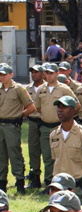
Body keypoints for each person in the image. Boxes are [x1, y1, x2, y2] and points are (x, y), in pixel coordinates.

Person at [47, 96, 82, 205]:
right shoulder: (54, 134)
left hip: (77, 188)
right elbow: (56, 160)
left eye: (64, 107)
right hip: (58, 188)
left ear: (73, 110)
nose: (60, 110)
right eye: (58, 107)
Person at [0, 64, 35, 194]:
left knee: (14, 153)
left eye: (4, 74)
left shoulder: (18, 89)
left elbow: (31, 107)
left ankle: (20, 182)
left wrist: (19, 116)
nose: (2, 77)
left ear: (11, 75)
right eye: (0, 75)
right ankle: (2, 184)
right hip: (0, 125)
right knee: (1, 155)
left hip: (12, 126)